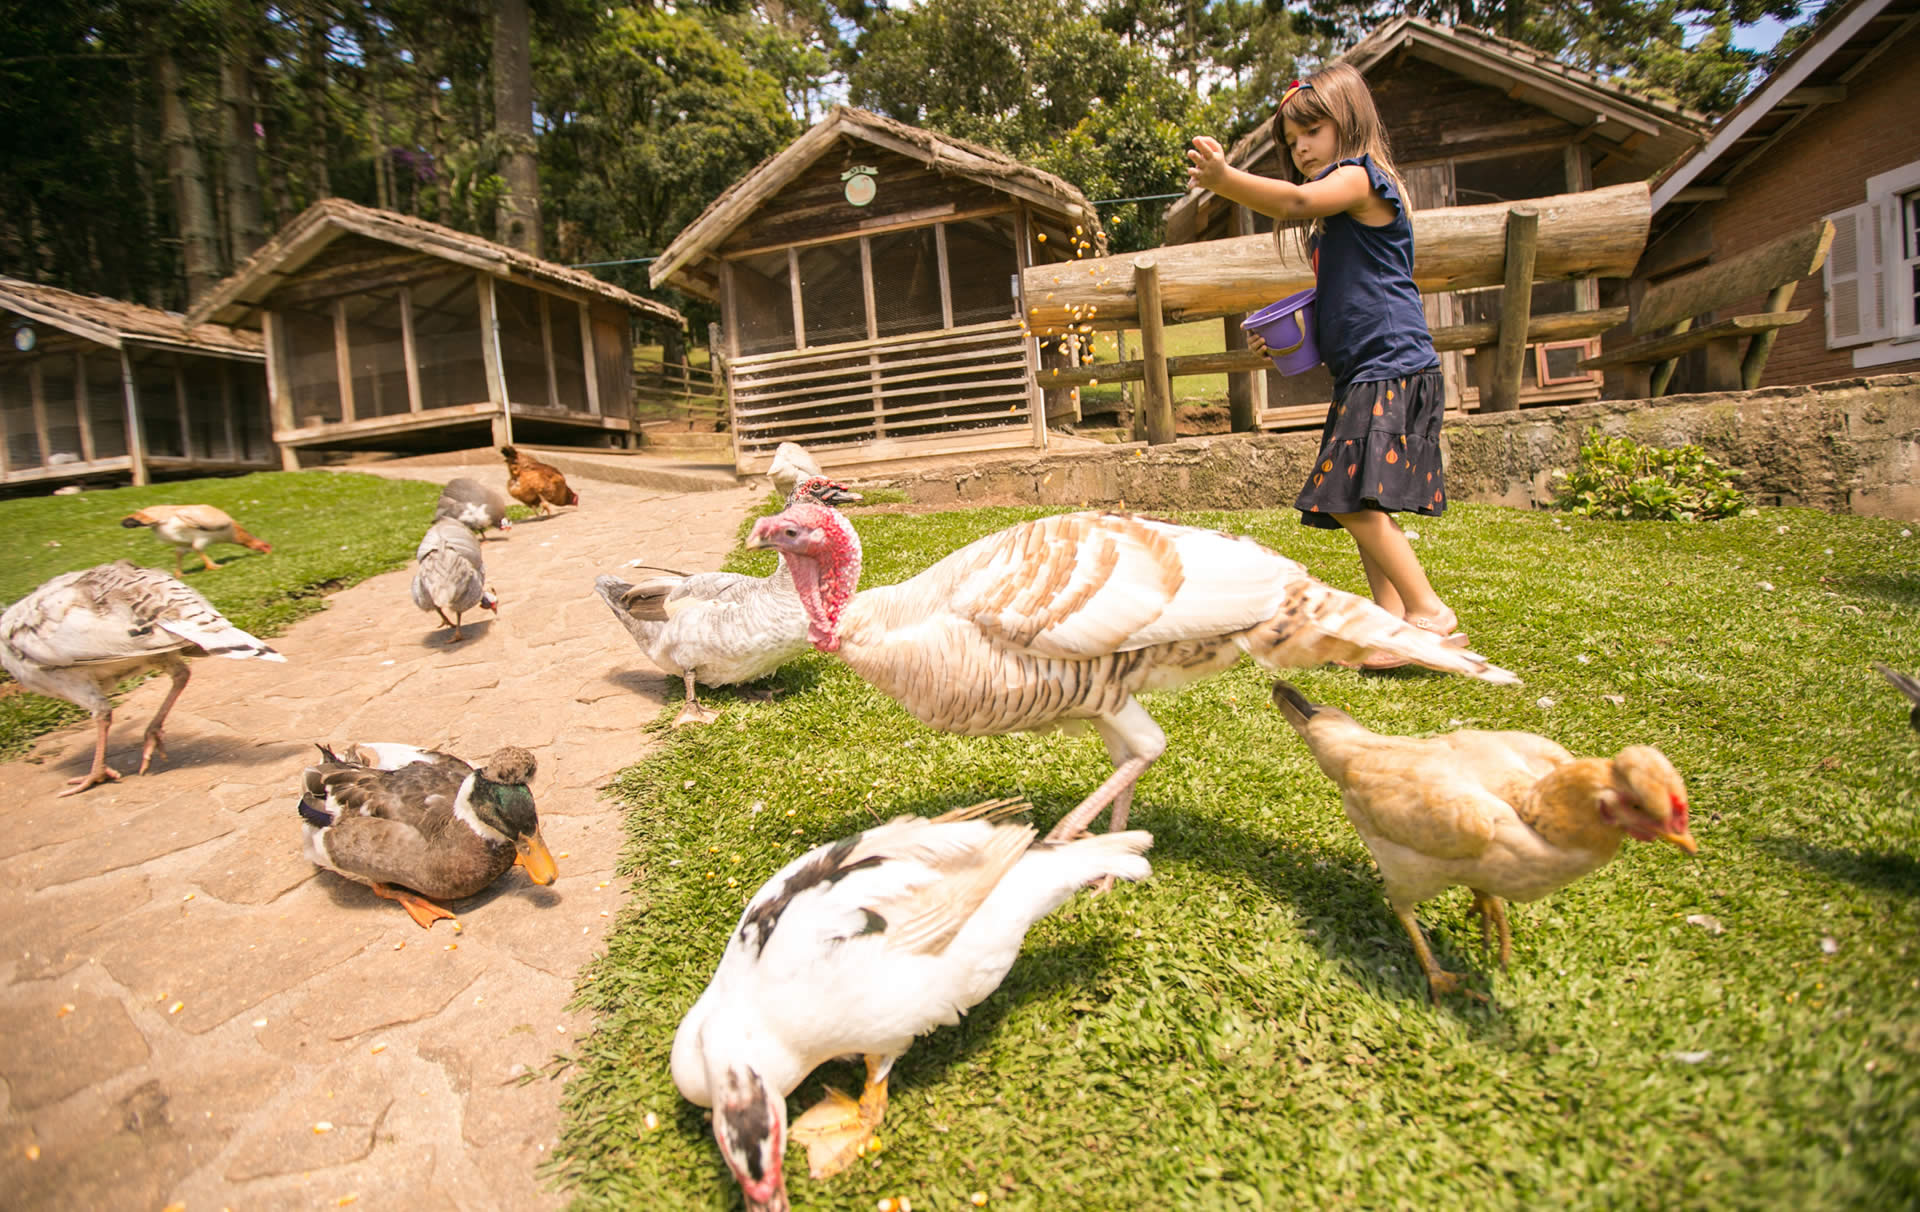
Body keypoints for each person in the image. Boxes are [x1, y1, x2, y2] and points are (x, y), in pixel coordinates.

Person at [1187, 63, 1461, 667]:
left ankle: (1428, 611)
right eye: (1292, 141)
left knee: (1344, 497)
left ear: (1349, 121)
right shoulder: (1335, 223)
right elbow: (1350, 293)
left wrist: (1225, 178)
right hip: (1365, 368)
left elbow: (1296, 198)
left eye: (1312, 130)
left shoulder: (1363, 181)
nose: (1301, 147)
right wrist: (1292, 338)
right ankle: (1391, 625)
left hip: (1390, 364)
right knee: (1364, 497)